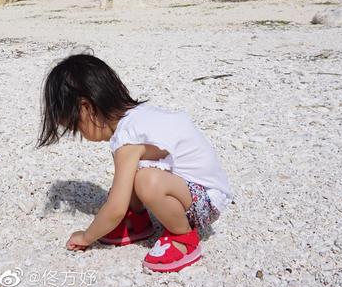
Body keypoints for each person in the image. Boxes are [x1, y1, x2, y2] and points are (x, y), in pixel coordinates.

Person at [36, 53, 232, 272]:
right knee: (133, 176)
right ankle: (138, 222)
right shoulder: (137, 119)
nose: (80, 134)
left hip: (206, 202)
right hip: (199, 192)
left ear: (86, 108)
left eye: (76, 127)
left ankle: (183, 236)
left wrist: (87, 236)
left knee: (147, 180)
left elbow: (115, 208)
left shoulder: (127, 140)